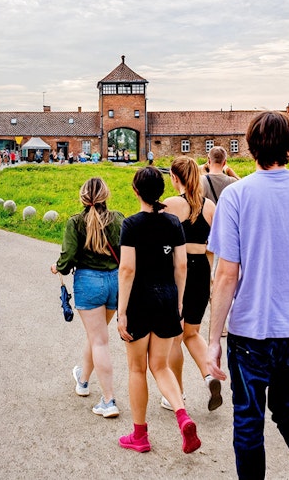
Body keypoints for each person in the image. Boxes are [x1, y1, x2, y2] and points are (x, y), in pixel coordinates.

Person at [207, 111, 289, 479]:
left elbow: (226, 276)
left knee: (249, 422)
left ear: (249, 147)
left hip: (250, 331)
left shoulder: (236, 196)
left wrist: (214, 339)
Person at [116, 166, 201, 454]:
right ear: (161, 191)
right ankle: (182, 415)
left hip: (139, 300)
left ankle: (140, 436)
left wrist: (122, 312)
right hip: (167, 298)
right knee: (161, 366)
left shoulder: (130, 225)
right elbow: (180, 265)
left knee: (137, 369)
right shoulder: (174, 224)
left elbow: (127, 269)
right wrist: (178, 300)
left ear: (135, 191)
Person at [50, 177, 125, 418]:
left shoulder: (75, 222)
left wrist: (58, 267)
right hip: (115, 281)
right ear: (106, 195)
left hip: (89, 283)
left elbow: (68, 257)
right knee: (97, 336)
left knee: (99, 341)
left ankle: (108, 400)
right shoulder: (118, 219)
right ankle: (82, 380)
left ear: (83, 197)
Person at [161, 156, 221, 411]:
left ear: (175, 178)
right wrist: (210, 281)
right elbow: (214, 249)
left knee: (176, 337)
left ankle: (177, 393)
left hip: (178, 271)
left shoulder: (171, 204)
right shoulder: (210, 207)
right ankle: (209, 376)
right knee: (192, 332)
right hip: (202, 271)